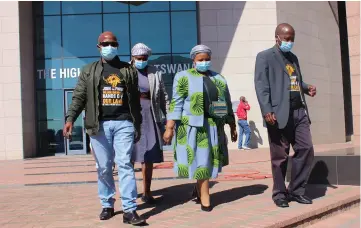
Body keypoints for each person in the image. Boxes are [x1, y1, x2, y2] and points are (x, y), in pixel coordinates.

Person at [63, 31, 145, 225]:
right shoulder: (89, 70)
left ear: (117, 46)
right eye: (106, 43)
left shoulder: (128, 69)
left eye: (113, 43)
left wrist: (137, 124)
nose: (110, 46)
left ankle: (130, 209)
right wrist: (70, 118)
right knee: (104, 167)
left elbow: (135, 100)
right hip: (98, 125)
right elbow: (79, 97)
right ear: (99, 47)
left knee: (125, 164)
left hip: (124, 122)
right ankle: (107, 204)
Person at [163, 44, 237, 212]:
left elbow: (226, 103)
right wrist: (170, 127)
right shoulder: (183, 77)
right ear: (193, 61)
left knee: (206, 161)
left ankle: (199, 189)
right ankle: (205, 196)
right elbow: (177, 102)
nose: (204, 62)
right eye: (201, 60)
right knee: (200, 161)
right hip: (192, 126)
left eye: (207, 59)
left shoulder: (218, 78)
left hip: (212, 125)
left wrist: (231, 124)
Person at [254, 23, 317, 208]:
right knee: (280, 156)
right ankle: (280, 193)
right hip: (278, 113)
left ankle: (296, 191)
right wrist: (267, 110)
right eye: (287, 39)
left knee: (306, 149)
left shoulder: (293, 58)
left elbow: (295, 81)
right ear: (277, 37)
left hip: (299, 111)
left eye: (292, 39)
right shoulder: (265, 57)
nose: (290, 42)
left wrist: (306, 88)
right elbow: (261, 86)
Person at [130, 43, 169, 204]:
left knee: (148, 157)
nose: (141, 60)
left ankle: (147, 192)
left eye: (144, 58)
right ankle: (129, 194)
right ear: (132, 58)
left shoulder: (155, 73)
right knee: (129, 157)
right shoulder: (125, 71)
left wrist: (169, 120)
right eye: (139, 58)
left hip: (150, 115)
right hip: (131, 118)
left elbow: (164, 98)